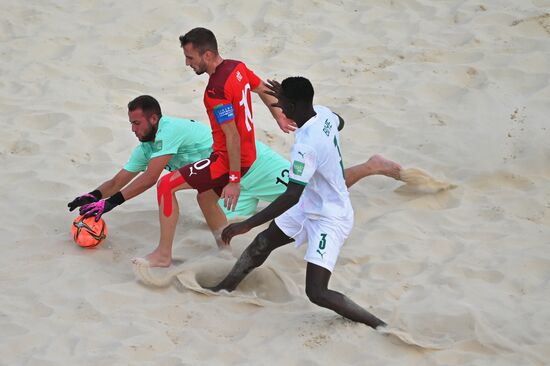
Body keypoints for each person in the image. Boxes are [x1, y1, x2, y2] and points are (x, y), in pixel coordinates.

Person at [208, 77, 386, 329]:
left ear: (293, 105)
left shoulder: (306, 146)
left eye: (281, 102)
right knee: (262, 243)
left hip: (330, 216)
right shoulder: (323, 113)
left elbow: (292, 195)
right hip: (308, 205)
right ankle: (224, 288)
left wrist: (246, 224)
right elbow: (340, 121)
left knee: (317, 292)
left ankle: (379, 326)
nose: (278, 105)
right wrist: (292, 99)